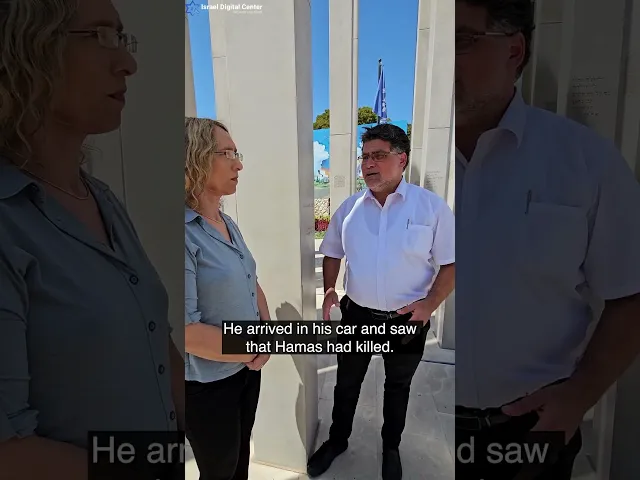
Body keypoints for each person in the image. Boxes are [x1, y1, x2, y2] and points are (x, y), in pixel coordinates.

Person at [455, 1, 640, 478]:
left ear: (514, 51)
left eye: (462, 41)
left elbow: (631, 294)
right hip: (431, 424)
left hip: (531, 431)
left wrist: (577, 398)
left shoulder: (585, 162)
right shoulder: (415, 174)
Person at [0, 0, 183, 478]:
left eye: (121, 38)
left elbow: (154, 338)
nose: (128, 62)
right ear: (25, 47)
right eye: (100, 36)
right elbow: (8, 452)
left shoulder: (100, 197)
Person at [307, 123, 456, 480]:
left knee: (398, 387)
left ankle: (391, 447)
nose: (369, 164)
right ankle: (337, 440)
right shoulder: (350, 209)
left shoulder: (431, 208)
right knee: (347, 383)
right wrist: (330, 288)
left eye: (378, 156)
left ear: (401, 159)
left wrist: (429, 305)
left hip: (408, 319)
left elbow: (452, 263)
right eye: (365, 157)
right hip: (358, 315)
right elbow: (332, 251)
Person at [184, 117, 272, 480]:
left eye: (237, 154)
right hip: (206, 386)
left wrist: (267, 334)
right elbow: (186, 332)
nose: (238, 165)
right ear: (196, 156)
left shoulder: (226, 223)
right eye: (227, 153)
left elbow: (252, 281)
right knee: (219, 470)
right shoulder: (181, 234)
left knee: (240, 460)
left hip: (245, 371)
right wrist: (254, 347)